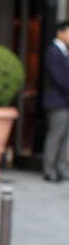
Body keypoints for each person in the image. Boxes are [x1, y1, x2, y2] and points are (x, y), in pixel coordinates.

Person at [42, 19, 69, 182]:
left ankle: (59, 168)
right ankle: (49, 169)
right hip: (56, 101)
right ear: (60, 32)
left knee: (64, 136)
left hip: (64, 101)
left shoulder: (65, 52)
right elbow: (58, 77)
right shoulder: (53, 51)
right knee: (55, 135)